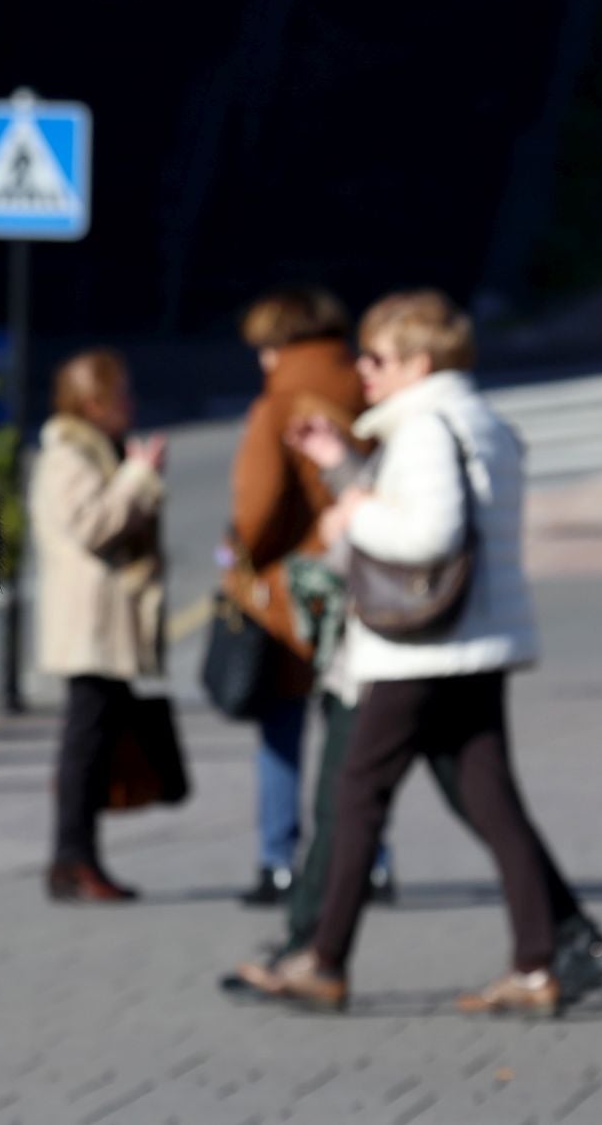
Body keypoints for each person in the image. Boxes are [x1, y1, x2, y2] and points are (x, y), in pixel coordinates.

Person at [237, 290, 602, 1017]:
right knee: (492, 801)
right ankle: (544, 958)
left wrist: (353, 511)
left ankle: (324, 958)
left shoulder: (428, 426)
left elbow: (427, 535)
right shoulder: (475, 419)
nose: (362, 370)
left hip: (420, 648)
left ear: (420, 361)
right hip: (472, 638)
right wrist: (345, 468)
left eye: (377, 358)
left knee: (357, 792)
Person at [225, 287, 385, 907]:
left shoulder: (277, 404)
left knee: (281, 730)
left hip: (295, 596)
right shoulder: (369, 386)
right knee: (354, 732)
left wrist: (239, 559)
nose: (261, 360)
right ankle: (371, 861)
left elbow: (258, 514)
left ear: (281, 344)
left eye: (264, 348)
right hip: (364, 581)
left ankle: (279, 863)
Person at [32, 349, 165, 903]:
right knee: (85, 743)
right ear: (92, 403)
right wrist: (138, 477)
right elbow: (92, 525)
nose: (130, 404)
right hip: (89, 623)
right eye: (121, 395)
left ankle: (79, 859)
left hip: (102, 621)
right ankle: (72, 860)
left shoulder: (92, 450)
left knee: (94, 739)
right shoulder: (69, 454)